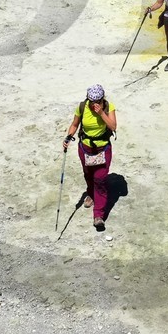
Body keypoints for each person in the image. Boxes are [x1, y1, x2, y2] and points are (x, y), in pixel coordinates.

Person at [63, 85, 117, 231]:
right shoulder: (82, 107)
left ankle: (98, 216)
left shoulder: (108, 107)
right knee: (88, 174)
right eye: (91, 101)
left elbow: (113, 127)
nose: (94, 104)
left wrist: (101, 114)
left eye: (97, 100)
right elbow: (74, 124)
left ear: (102, 98)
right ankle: (91, 194)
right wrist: (68, 137)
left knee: (99, 179)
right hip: (85, 147)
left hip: (102, 148)